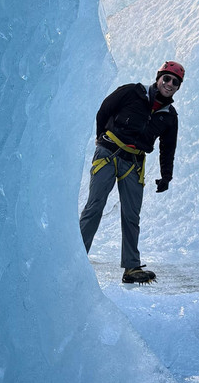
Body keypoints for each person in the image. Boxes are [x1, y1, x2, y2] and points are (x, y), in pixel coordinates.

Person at [79, 61, 184, 283]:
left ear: (178, 87)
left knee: (131, 215)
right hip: (108, 154)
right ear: (158, 78)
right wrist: (101, 139)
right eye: (167, 78)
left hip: (134, 163)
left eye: (175, 82)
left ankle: (132, 268)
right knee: (95, 206)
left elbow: (168, 148)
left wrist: (167, 176)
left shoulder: (169, 116)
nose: (169, 84)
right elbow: (104, 110)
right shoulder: (131, 92)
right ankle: (75, 258)